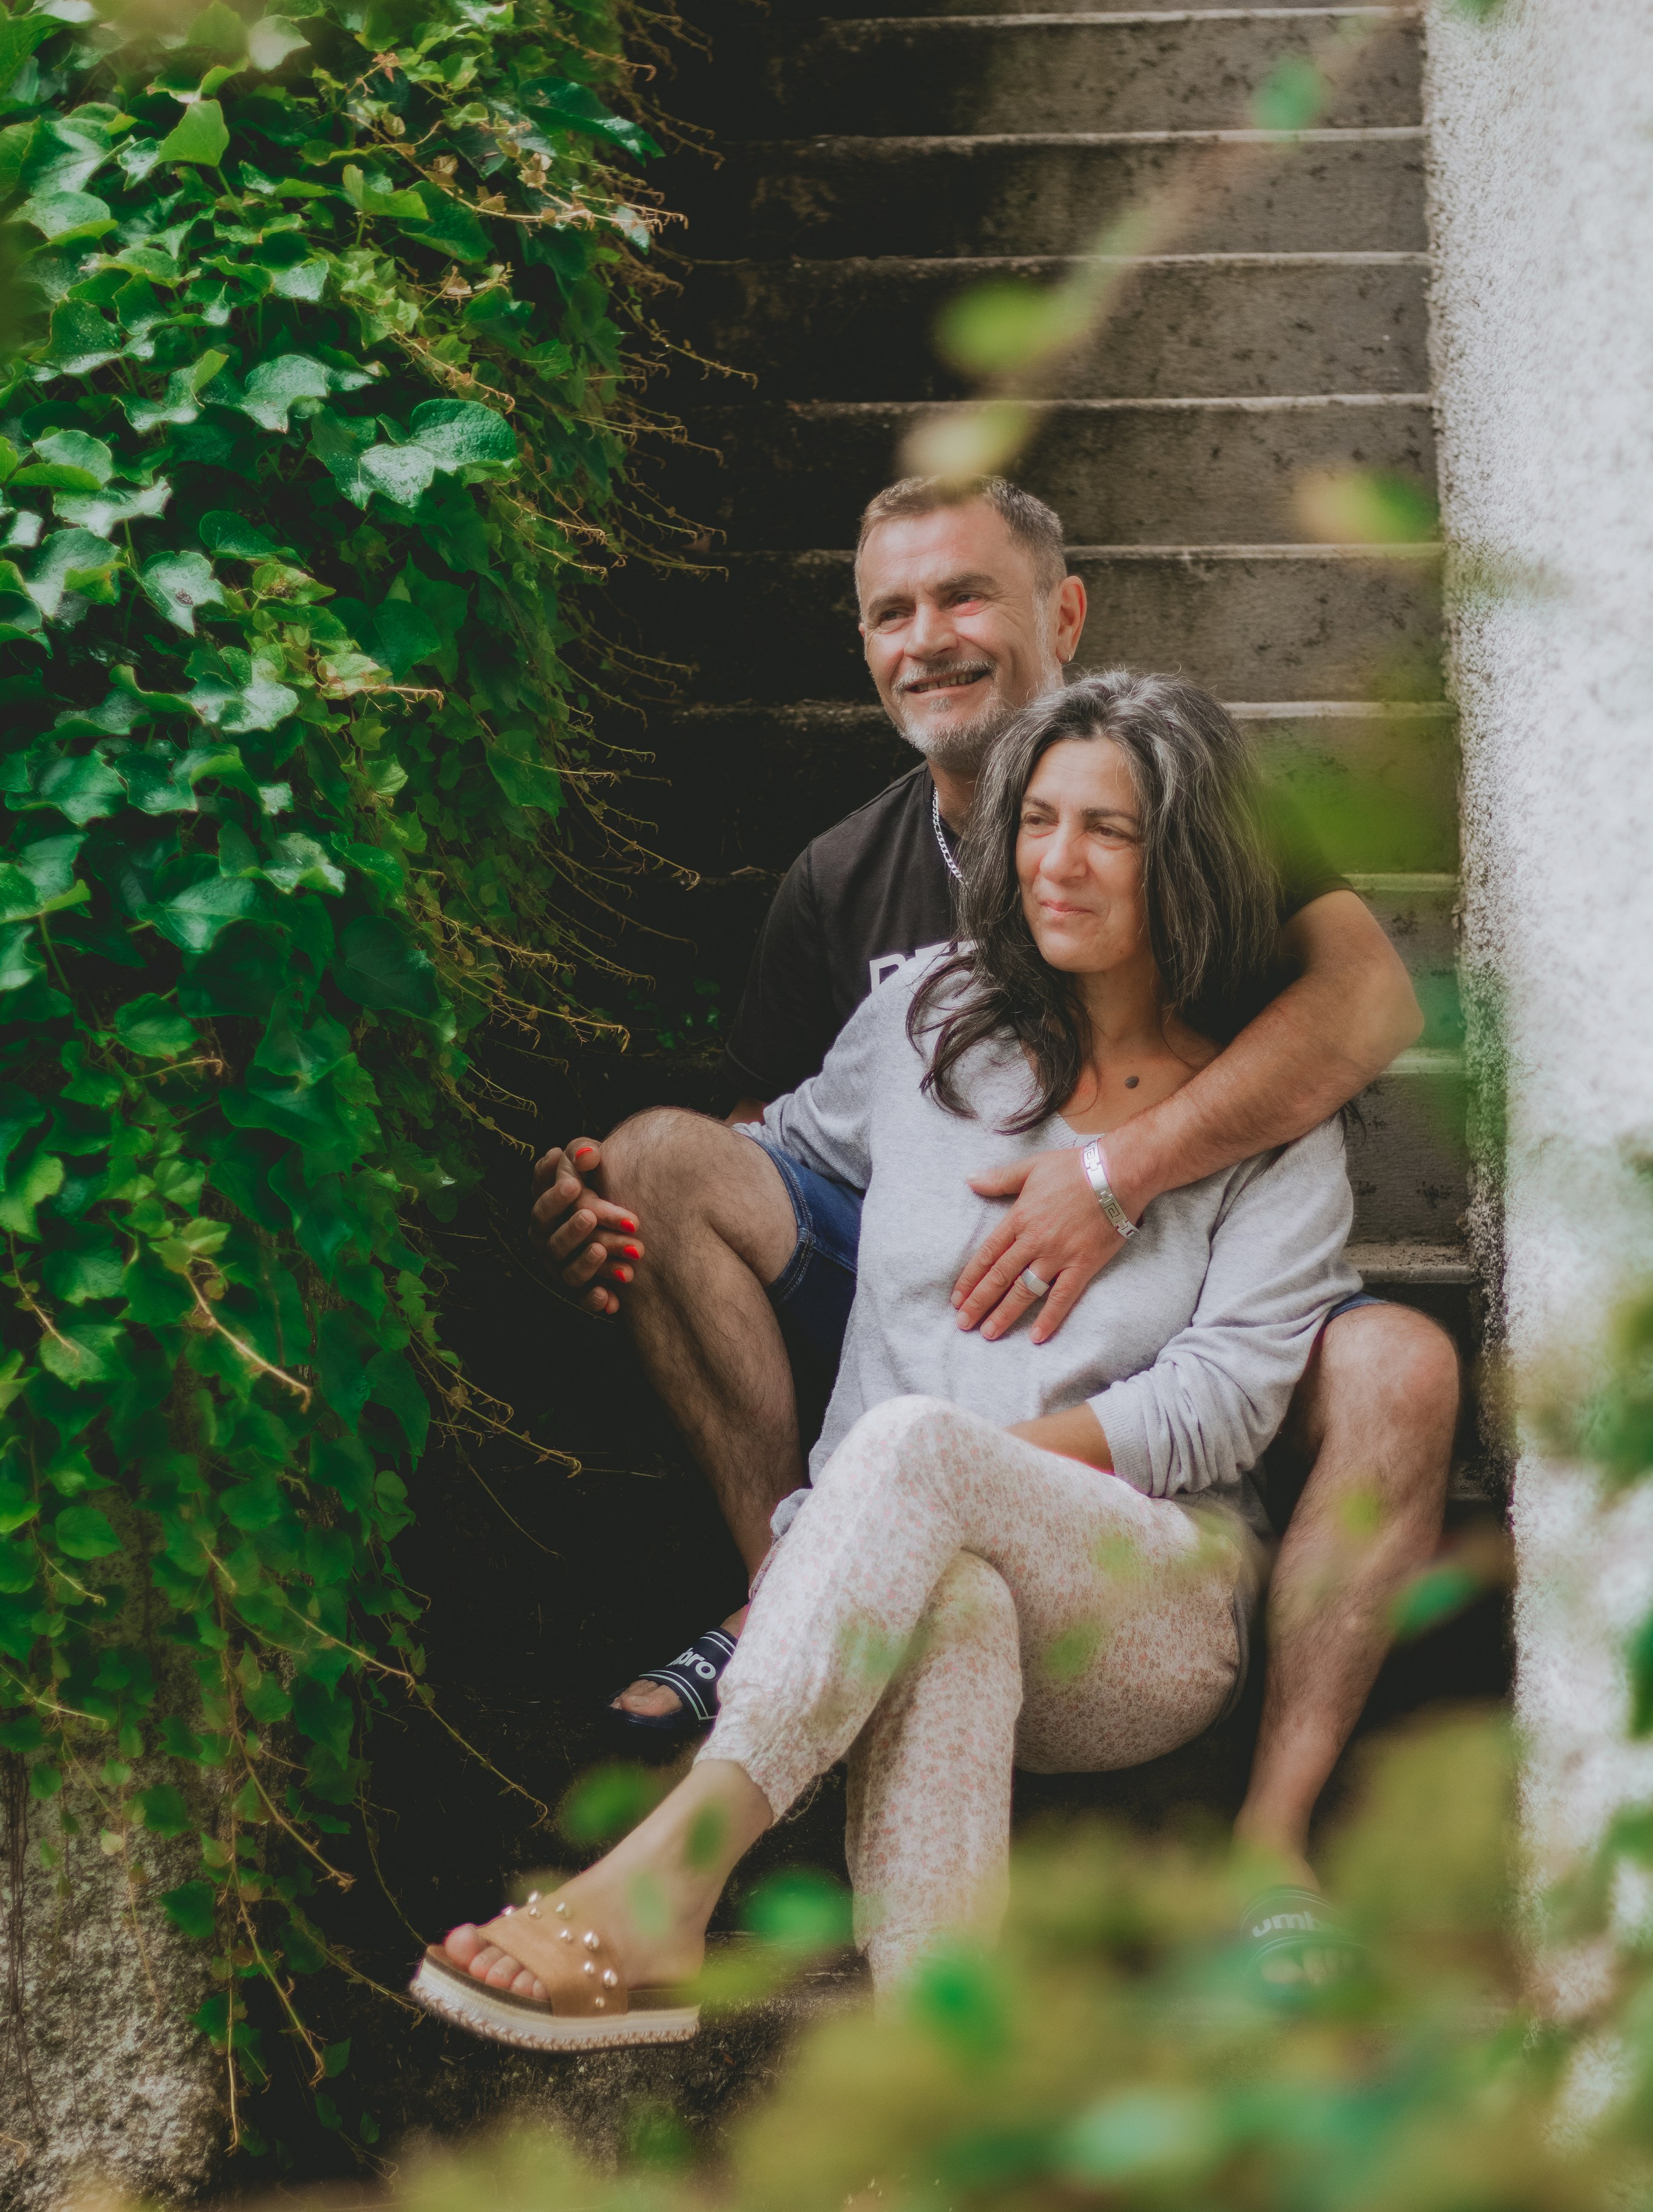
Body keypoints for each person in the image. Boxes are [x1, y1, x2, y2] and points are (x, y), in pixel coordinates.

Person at [413, 673, 1365, 2049]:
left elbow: (1221, 1406)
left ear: (1193, 860)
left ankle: (667, 1881)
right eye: (1037, 820)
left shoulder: (1266, 1119)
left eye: (1109, 830)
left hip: (1151, 1602)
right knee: (951, 1598)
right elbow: (776, 1157)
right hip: (921, 1579)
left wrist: (936, 1481)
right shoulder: (929, 1016)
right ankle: (940, 2084)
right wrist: (602, 1204)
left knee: (911, 1452)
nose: (1057, 861)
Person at [531, 476, 1459, 1885]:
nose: (927, 639)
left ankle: (1271, 1841)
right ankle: (794, 1589)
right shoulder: (852, 897)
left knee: (1399, 1363)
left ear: (1063, 613)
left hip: (1175, 1286)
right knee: (663, 1160)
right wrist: (610, 1199)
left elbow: (1367, 1006)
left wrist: (1114, 1174)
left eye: (964, 596)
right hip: (935, 1300)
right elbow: (780, 1139)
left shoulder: (1190, 789)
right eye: (890, 612)